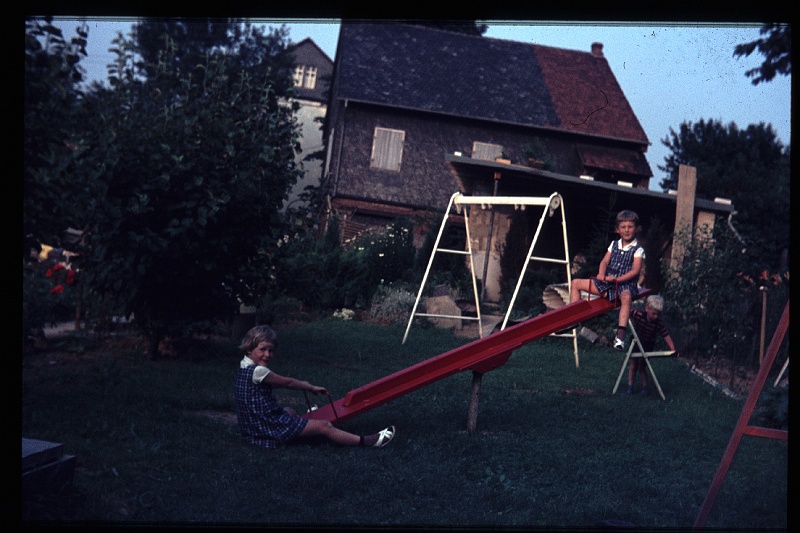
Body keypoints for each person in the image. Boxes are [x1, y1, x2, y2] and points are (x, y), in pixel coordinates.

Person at [235, 325, 395, 449]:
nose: (267, 354)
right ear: (249, 349)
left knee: (289, 411)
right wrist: (309, 387)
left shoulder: (244, 366)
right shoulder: (258, 371)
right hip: (265, 427)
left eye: (271, 350)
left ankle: (298, 430)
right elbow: (287, 382)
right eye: (262, 349)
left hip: (252, 427)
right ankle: (366, 441)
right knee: (324, 425)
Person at [569, 210, 644, 351]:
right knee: (576, 283)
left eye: (630, 226)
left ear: (636, 229)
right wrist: (601, 274)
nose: (626, 230)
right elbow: (604, 262)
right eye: (623, 227)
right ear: (618, 229)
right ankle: (574, 318)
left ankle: (620, 336)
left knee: (626, 297)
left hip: (624, 285)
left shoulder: (637, 249)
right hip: (608, 283)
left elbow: (635, 271)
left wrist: (617, 279)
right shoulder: (614, 244)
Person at [626, 295, 678, 396]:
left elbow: (666, 336)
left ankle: (645, 388)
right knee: (633, 365)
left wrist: (673, 349)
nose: (656, 317)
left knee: (642, 366)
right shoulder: (639, 314)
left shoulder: (658, 323)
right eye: (653, 314)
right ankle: (630, 387)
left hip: (648, 344)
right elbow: (627, 311)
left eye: (658, 314)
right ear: (646, 309)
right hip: (636, 342)